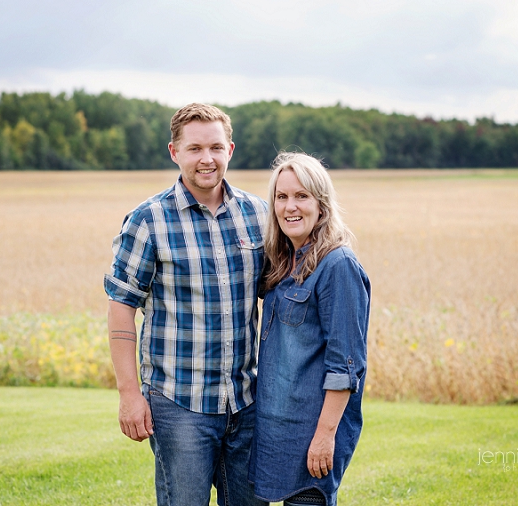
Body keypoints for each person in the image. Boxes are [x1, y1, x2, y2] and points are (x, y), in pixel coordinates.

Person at [104, 103, 268, 506]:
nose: (206, 159)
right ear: (174, 152)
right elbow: (121, 305)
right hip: (179, 406)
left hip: (247, 403)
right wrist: (129, 394)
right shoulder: (148, 220)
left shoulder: (259, 215)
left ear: (230, 149)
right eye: (194, 149)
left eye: (215, 147)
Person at [249, 152, 371, 506]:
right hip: (274, 431)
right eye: (282, 197)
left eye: (301, 196)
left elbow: (346, 366)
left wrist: (325, 436)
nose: (291, 206)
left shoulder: (338, 265)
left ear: (322, 204)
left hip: (311, 434)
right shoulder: (284, 263)